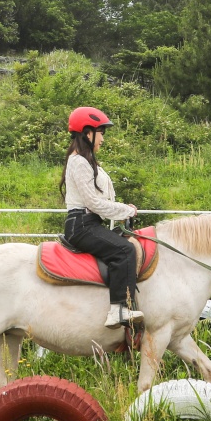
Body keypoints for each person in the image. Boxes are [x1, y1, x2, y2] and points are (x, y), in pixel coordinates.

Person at [59, 106, 144, 330]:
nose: (103, 139)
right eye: (101, 133)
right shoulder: (78, 162)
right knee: (125, 250)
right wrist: (125, 210)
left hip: (89, 223)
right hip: (82, 225)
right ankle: (118, 310)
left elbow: (101, 199)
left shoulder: (85, 161)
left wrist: (123, 208)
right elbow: (93, 203)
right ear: (88, 133)